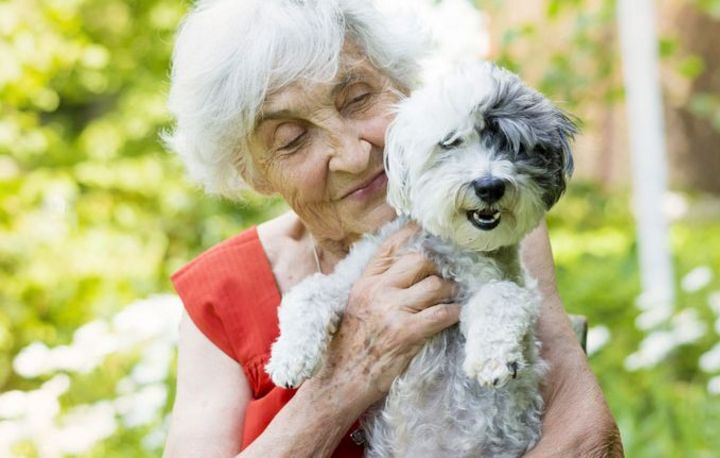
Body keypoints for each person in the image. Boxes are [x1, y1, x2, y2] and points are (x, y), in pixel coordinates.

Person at [162, 0, 623, 457]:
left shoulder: (488, 221)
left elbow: (584, 434)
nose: (353, 154)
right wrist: (344, 381)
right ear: (252, 173)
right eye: (292, 139)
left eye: (359, 99)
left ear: (404, 87)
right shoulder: (220, 298)